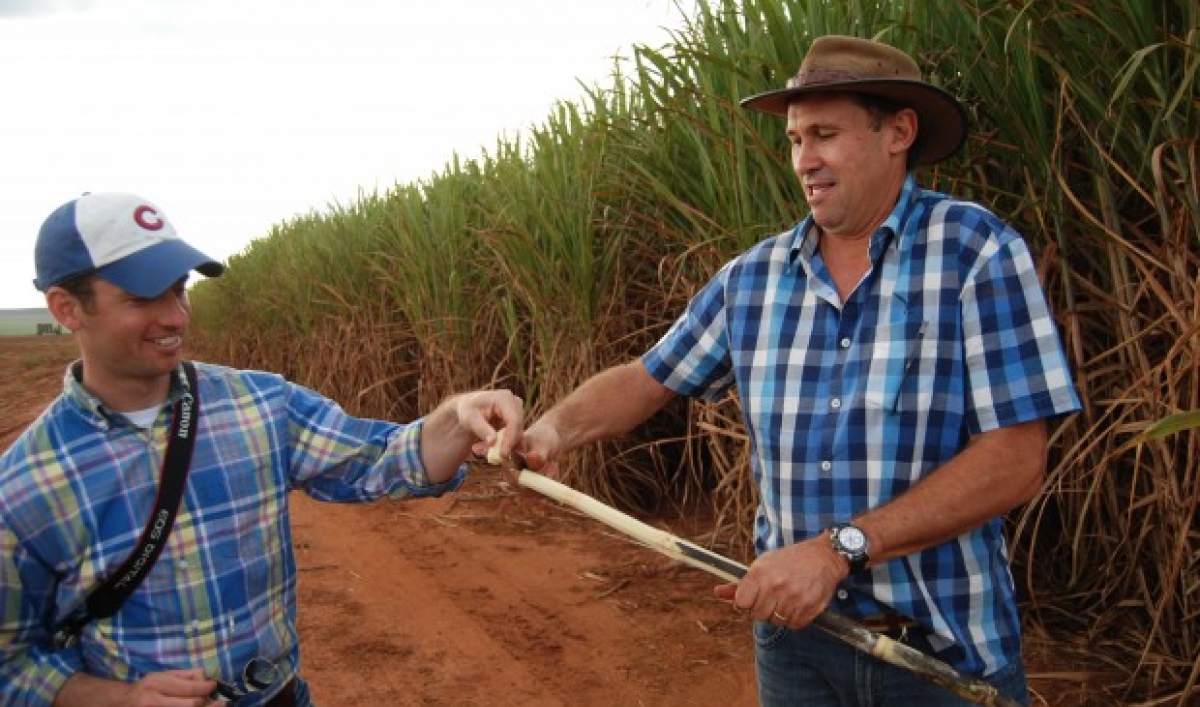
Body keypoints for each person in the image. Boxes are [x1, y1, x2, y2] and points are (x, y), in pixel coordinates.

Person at [518, 35, 1080, 706]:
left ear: (898, 131)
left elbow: (1016, 457)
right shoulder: (751, 280)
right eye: (793, 140)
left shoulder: (975, 253)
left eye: (824, 135)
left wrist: (839, 547)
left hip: (942, 658)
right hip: (797, 650)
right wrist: (551, 430)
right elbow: (649, 376)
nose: (804, 161)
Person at [0, 191, 525, 707]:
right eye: (143, 298)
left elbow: (385, 459)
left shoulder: (260, 404)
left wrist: (459, 417)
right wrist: (121, 698)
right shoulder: (25, 484)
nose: (177, 316)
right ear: (66, 308)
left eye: (178, 289)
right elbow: (11, 666)